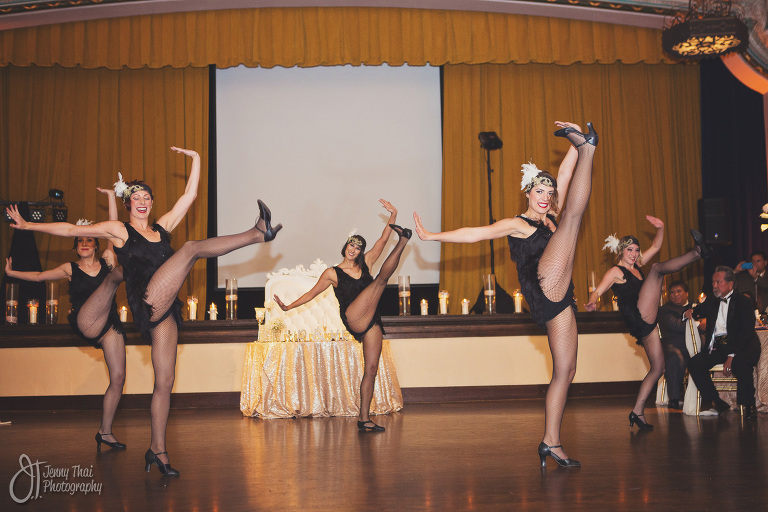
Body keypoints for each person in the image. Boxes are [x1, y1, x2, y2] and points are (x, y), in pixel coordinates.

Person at [6, 146, 282, 476]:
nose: (142, 200)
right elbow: (69, 229)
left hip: (166, 313)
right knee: (192, 248)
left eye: (147, 196)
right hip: (148, 301)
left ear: (151, 203)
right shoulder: (119, 230)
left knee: (165, 381)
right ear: (128, 204)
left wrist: (195, 160)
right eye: (136, 196)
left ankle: (157, 451)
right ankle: (257, 232)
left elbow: (190, 195)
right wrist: (27, 227)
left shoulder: (162, 227)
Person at [414, 121, 598, 468]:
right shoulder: (518, 223)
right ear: (527, 192)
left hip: (561, 296)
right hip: (544, 283)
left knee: (566, 370)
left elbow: (564, 172)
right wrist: (432, 236)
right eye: (539, 192)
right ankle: (591, 146)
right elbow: (475, 234)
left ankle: (551, 442)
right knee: (574, 220)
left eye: (549, 193)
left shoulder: (551, 217)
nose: (545, 197)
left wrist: (572, 144)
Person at [4, 188, 127, 451]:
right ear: (76, 246)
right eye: (80, 241)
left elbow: (113, 229)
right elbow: (39, 276)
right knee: (117, 275)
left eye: (89, 240)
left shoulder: (107, 259)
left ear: (95, 244)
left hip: (109, 326)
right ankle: (133, 272)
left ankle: (105, 432)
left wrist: (110, 197)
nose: (84, 244)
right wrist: (12, 272)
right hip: (85, 321)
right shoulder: (70, 269)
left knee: (118, 378)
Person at [274, 200, 410, 433]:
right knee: (380, 281)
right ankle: (405, 241)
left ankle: (363, 419)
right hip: (353, 317)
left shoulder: (366, 262)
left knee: (372, 368)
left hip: (372, 320)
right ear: (345, 246)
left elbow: (382, 240)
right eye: (350, 245)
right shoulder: (332, 273)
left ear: (360, 252)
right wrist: (288, 307)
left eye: (357, 247)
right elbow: (311, 294)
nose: (353, 250)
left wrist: (394, 215)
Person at [586, 220, 707, 430]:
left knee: (658, 368)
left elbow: (657, 247)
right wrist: (593, 299)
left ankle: (637, 412)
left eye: (636, 250)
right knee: (658, 269)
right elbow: (598, 290)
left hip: (647, 322)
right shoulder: (616, 271)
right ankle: (698, 253)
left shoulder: (638, 265)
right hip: (638, 315)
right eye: (629, 250)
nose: (633, 254)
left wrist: (660, 228)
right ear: (621, 251)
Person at [685, 266, 761, 419]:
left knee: (740, 363)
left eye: (718, 282)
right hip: (720, 344)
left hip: (743, 344)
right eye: (713, 282)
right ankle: (717, 401)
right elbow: (698, 310)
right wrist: (689, 312)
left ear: (730, 284)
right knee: (695, 363)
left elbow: (745, 333)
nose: (714, 286)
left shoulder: (743, 302)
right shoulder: (712, 299)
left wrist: (732, 355)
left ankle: (749, 405)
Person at [656, 280, 693, 410]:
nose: (675, 295)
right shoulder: (664, 310)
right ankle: (675, 398)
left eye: (679, 291)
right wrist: (697, 324)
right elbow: (675, 325)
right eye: (672, 292)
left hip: (695, 346)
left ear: (686, 293)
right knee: (675, 357)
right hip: (673, 345)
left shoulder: (694, 307)